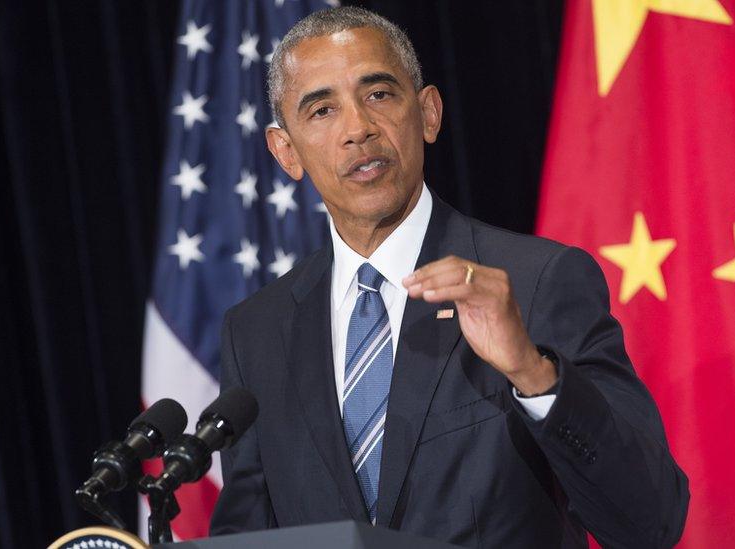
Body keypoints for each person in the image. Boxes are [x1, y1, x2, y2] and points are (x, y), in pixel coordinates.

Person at [210, 7, 688, 548]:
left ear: (429, 113)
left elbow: (652, 521)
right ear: (286, 151)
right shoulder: (256, 333)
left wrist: (532, 374)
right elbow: (247, 535)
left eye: (379, 95)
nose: (358, 129)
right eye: (322, 110)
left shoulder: (537, 282)